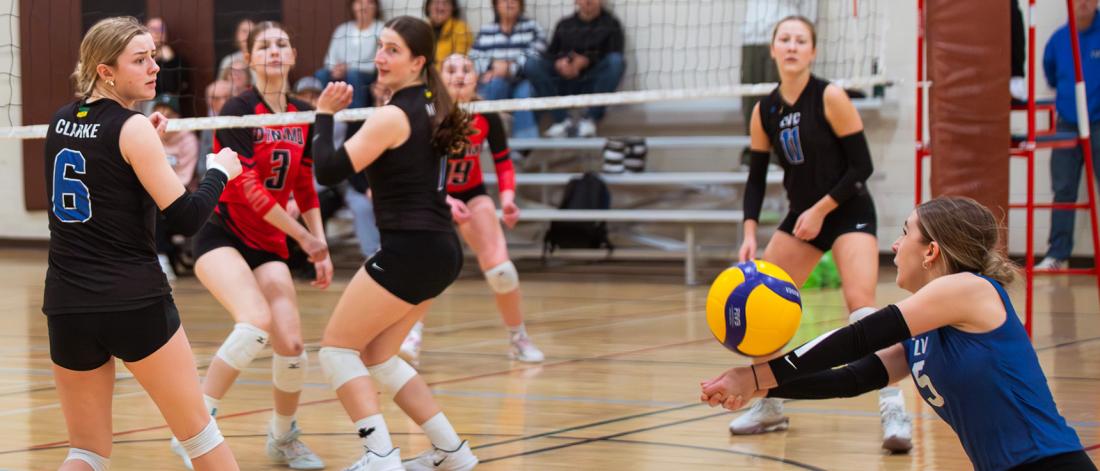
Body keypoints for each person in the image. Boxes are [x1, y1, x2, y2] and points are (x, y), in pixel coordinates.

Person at [702, 196, 1097, 471]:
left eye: (905, 232)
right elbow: (855, 377)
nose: (894, 244)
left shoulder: (969, 289)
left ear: (931, 252)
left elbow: (861, 336)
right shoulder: (926, 328)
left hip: (1049, 464)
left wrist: (755, 374)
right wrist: (762, 389)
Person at [44, 16, 240, 470]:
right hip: (132, 301)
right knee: (200, 437)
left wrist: (143, 149)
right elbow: (187, 219)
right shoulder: (130, 128)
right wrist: (220, 171)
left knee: (86, 452)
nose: (154, 66)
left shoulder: (59, 123)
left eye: (153, 55)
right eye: (140, 59)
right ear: (105, 71)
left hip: (67, 303)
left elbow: (103, 184)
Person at [732, 16, 912, 452]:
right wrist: (750, 231)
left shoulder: (829, 96)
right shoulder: (765, 110)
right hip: (801, 217)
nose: (792, 46)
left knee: (860, 304)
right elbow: (756, 178)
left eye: (801, 40)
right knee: (760, 299)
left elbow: (861, 168)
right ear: (773, 49)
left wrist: (821, 209)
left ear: (812, 51)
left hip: (847, 210)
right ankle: (770, 402)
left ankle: (893, 407)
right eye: (785, 40)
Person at [309, 16, 479, 471]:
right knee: (379, 355)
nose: (380, 57)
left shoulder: (391, 116)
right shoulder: (435, 108)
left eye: (393, 50)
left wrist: (323, 113)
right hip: (440, 251)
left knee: (336, 351)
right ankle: (453, 451)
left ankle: (380, 455)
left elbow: (327, 170)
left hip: (411, 251)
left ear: (418, 62)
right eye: (380, 47)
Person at [168, 21, 332, 471]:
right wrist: (305, 239)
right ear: (250, 59)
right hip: (221, 232)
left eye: (282, 44)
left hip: (268, 241)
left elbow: (303, 183)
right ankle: (195, 428)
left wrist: (324, 246)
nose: (275, 51)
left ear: (293, 56)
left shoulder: (301, 112)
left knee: (293, 344)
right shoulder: (239, 109)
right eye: (265, 46)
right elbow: (251, 191)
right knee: (254, 322)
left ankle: (283, 438)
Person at [399, 54, 544, 366]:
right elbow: (418, 169)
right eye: (451, 70)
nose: (459, 75)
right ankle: (411, 334)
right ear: (438, 78)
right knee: (427, 269)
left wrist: (507, 199)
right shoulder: (427, 114)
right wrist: (445, 201)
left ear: (477, 78)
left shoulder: (486, 115)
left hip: (472, 194)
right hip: (433, 196)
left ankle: (518, 338)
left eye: (467, 69)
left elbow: (504, 162)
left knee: (502, 272)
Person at [1036, 0, 1100, 270]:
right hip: (1067, 126)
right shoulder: (1059, 40)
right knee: (1063, 191)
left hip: (1098, 123)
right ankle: (1058, 254)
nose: (1083, 2)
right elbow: (1051, 75)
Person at [526, 0, 625, 138]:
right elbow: (550, 55)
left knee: (616, 62)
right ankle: (562, 120)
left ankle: (589, 119)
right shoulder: (564, 24)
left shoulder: (611, 24)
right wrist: (561, 63)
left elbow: (615, 54)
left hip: (594, 85)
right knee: (532, 64)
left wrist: (585, 61)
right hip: (564, 83)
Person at [468, 0, 546, 139]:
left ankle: (523, 147)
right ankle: (489, 135)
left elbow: (537, 54)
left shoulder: (532, 27)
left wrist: (509, 68)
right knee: (494, 84)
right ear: (496, 5)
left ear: (521, 4)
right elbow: (473, 59)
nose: (509, 3)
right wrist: (492, 66)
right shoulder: (487, 30)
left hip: (525, 81)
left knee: (524, 91)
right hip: (497, 82)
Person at [151, 94, 201, 281]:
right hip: (156, 191)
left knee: (156, 205)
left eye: (169, 113)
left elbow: (184, 179)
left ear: (177, 118)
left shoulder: (188, 140)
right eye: (160, 112)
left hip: (183, 193)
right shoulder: (150, 135)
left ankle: (162, 256)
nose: (164, 117)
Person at [316, 0, 384, 109]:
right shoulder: (342, 29)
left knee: (353, 75)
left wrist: (348, 68)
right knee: (321, 74)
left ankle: (353, 117)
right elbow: (329, 59)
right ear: (352, 6)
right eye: (359, 2)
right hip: (341, 73)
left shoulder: (381, 28)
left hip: (366, 75)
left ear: (376, 7)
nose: (363, 6)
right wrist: (335, 68)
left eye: (369, 2)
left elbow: (375, 64)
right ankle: (323, 109)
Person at [146, 17, 191, 113]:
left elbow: (172, 89)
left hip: (168, 106)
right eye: (153, 29)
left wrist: (169, 62)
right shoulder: (139, 58)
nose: (157, 33)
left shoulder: (177, 60)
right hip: (145, 103)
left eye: (161, 29)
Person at [425, 0, 472, 65]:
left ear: (453, 8)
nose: (441, 8)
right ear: (428, 7)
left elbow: (460, 62)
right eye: (436, 2)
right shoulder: (423, 28)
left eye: (446, 3)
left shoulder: (461, 29)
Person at [217, 18, 254, 90]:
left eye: (252, 32)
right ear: (237, 35)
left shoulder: (264, 59)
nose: (248, 35)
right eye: (244, 31)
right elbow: (220, 88)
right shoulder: (228, 60)